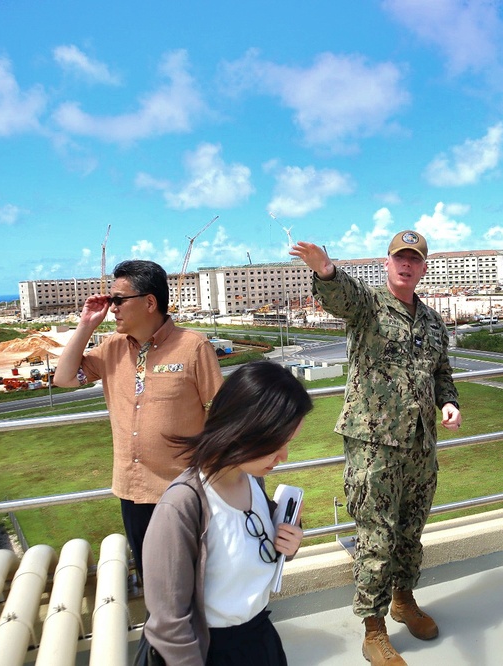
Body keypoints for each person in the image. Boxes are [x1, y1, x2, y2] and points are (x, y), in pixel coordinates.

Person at [289, 231, 461, 666]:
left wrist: (449, 402)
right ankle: (373, 628)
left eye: (414, 260)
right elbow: (341, 297)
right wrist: (325, 270)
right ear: (387, 263)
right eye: (399, 258)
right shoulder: (368, 306)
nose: (406, 265)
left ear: (423, 268)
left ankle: (403, 600)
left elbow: (441, 372)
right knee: (376, 535)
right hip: (374, 443)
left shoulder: (433, 322)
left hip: (421, 443)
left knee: (410, 529)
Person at [54, 259, 224, 577]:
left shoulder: (193, 347)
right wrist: (87, 324)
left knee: (192, 578)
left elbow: (222, 416)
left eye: (118, 300)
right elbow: (64, 378)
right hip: (133, 493)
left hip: (182, 492)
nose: (112, 308)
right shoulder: (112, 348)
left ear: (149, 302)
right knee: (152, 580)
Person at [142, 361, 313, 666]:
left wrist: (289, 542)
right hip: (212, 651)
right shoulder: (182, 506)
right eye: (278, 442)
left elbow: (253, 550)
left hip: (260, 637)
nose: (285, 456)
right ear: (245, 428)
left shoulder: (253, 479)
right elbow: (170, 624)